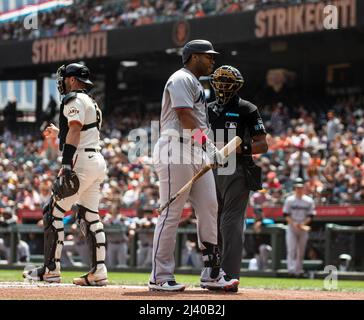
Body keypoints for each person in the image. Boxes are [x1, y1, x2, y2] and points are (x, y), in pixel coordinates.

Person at [149, 40, 239, 292]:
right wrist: (210, 146)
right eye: (207, 56)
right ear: (193, 57)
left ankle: (211, 272)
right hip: (175, 148)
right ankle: (159, 276)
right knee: (171, 212)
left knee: (210, 207)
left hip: (195, 151)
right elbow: (184, 116)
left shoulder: (196, 83)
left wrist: (205, 148)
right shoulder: (181, 78)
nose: (212, 60)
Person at [23, 63, 108, 286]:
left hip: (81, 160)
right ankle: (98, 271)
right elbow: (84, 131)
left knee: (52, 211)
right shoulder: (90, 100)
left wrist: (66, 164)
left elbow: (76, 128)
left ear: (72, 79)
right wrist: (60, 132)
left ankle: (51, 269)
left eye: (63, 78)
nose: (61, 83)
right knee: (90, 216)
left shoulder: (74, 99)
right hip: (96, 160)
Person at [208, 65, 268, 291]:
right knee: (212, 221)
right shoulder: (206, 108)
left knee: (230, 221)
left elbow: (263, 144)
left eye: (228, 82)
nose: (223, 86)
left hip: (237, 168)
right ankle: (214, 272)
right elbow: (195, 133)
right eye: (219, 81)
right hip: (210, 167)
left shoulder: (247, 108)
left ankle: (230, 275)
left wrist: (237, 148)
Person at [283, 177, 316, 277]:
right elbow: (285, 215)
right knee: (291, 249)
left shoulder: (309, 200)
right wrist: (294, 223)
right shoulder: (289, 200)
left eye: (301, 187)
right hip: (292, 227)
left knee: (301, 251)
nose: (299, 189)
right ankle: (290, 271)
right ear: (294, 188)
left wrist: (303, 224)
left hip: (303, 227)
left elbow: (311, 216)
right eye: (297, 187)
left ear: (304, 188)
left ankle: (298, 271)